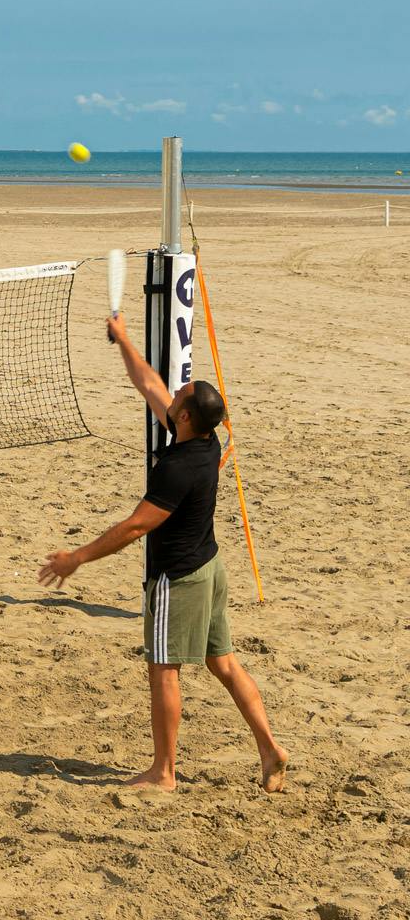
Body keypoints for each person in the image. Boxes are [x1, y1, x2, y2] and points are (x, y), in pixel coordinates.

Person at [39, 313, 286, 793]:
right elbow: (150, 384)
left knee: (163, 669)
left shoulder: (178, 468)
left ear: (187, 416)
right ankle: (270, 749)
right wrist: (125, 340)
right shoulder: (206, 440)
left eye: (181, 397)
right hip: (211, 567)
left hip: (180, 578)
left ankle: (163, 772)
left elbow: (134, 526)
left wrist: (76, 559)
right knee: (224, 663)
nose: (172, 395)